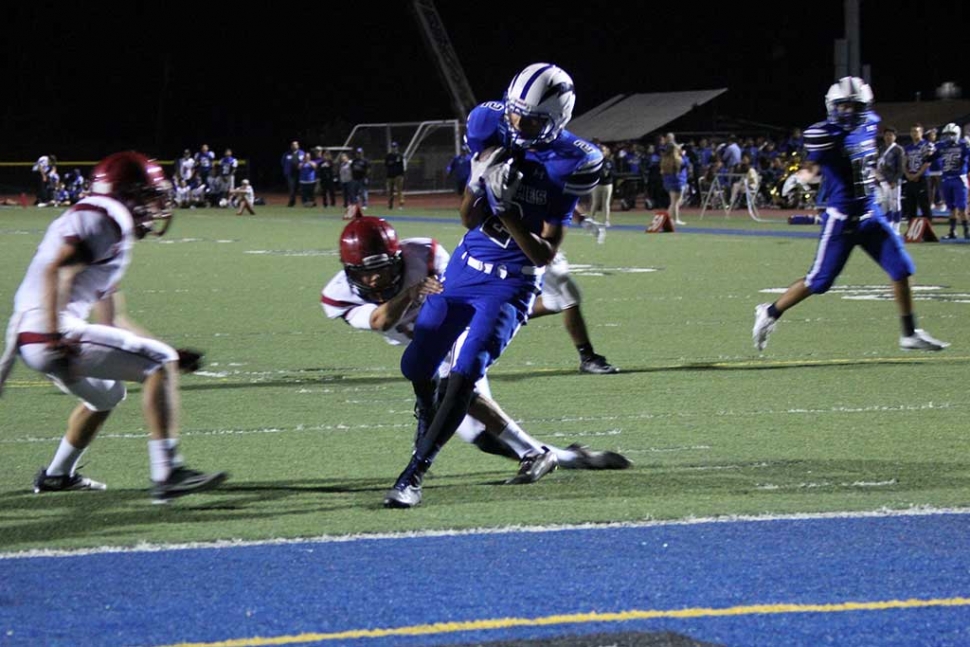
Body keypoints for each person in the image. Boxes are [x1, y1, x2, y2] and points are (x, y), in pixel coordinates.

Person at [385, 62, 604, 508]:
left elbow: (543, 254)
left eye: (531, 119)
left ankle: (414, 474)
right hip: (466, 267)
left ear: (558, 120)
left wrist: (504, 210)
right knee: (416, 365)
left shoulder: (575, 160)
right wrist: (478, 182)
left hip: (511, 285)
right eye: (515, 113)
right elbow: (467, 217)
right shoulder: (489, 121)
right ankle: (427, 417)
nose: (518, 125)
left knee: (462, 378)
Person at [321, 216, 630, 485]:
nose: (373, 279)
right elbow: (380, 320)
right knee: (481, 438)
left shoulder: (424, 254)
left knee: (452, 389)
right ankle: (569, 457)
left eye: (382, 269)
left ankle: (534, 453)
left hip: (458, 325)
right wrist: (412, 292)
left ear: (397, 258)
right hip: (428, 346)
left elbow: (465, 295)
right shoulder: (337, 296)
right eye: (363, 272)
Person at [0, 151, 227, 503]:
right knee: (156, 362)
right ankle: (169, 472)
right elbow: (58, 270)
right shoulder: (108, 215)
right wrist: (55, 333)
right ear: (128, 193)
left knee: (108, 394)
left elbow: (113, 320)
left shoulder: (106, 226)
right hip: (45, 328)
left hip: (38, 331)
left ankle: (58, 475)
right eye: (150, 197)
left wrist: (170, 353)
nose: (155, 208)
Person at [752, 77, 949, 354]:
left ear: (864, 107)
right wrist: (802, 176)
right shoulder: (823, 133)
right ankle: (770, 312)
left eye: (852, 106)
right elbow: (814, 165)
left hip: (871, 213)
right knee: (819, 282)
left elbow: (864, 158)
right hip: (842, 219)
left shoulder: (870, 123)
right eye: (841, 106)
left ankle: (909, 333)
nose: (846, 112)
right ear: (831, 106)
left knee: (902, 269)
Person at [935, 122, 970, 240]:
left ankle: (966, 231)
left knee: (962, 206)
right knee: (951, 207)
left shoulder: (964, 145)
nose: (949, 136)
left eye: (952, 134)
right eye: (947, 134)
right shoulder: (942, 146)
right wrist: (928, 155)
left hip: (959, 178)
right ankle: (952, 231)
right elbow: (933, 158)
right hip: (946, 178)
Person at [901, 123, 935, 224]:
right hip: (910, 178)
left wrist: (917, 175)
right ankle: (911, 230)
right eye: (912, 131)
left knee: (924, 205)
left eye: (917, 131)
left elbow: (927, 162)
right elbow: (904, 163)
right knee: (911, 205)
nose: (914, 134)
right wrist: (907, 174)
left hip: (922, 178)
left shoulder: (927, 145)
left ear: (921, 133)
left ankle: (928, 231)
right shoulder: (908, 147)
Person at [875, 126, 905, 234]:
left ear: (895, 137)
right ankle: (888, 226)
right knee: (885, 205)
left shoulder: (898, 149)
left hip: (893, 182)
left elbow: (901, 168)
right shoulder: (881, 149)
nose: (888, 137)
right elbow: (877, 165)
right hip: (882, 182)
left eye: (891, 135)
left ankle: (896, 228)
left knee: (895, 205)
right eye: (886, 135)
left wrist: (894, 180)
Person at [660, 139, 688, 225]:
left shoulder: (665, 159)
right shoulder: (677, 159)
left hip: (668, 182)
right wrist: (683, 155)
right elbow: (685, 164)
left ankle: (673, 219)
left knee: (674, 201)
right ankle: (665, 219)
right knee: (676, 202)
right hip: (677, 182)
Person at [589, 144, 614, 227]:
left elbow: (614, 172)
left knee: (606, 203)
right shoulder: (595, 160)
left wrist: (609, 174)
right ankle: (592, 218)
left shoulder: (610, 162)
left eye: (603, 151)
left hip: (607, 184)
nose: (602, 152)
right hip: (597, 184)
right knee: (595, 202)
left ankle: (606, 220)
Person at [282, 141, 303, 207]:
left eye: (295, 145)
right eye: (293, 145)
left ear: (298, 146)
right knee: (292, 188)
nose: (294, 146)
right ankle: (292, 202)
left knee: (301, 188)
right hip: (290, 174)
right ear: (291, 146)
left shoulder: (302, 153)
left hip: (300, 174)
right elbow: (283, 162)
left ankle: (305, 202)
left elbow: (305, 161)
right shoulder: (287, 154)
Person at [385, 141, 405, 210]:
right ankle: (390, 205)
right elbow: (386, 165)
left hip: (398, 175)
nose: (394, 148)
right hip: (390, 176)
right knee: (390, 191)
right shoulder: (388, 156)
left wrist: (402, 175)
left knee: (399, 190)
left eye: (395, 147)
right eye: (392, 147)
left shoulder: (400, 155)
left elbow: (403, 166)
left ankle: (401, 204)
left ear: (397, 147)